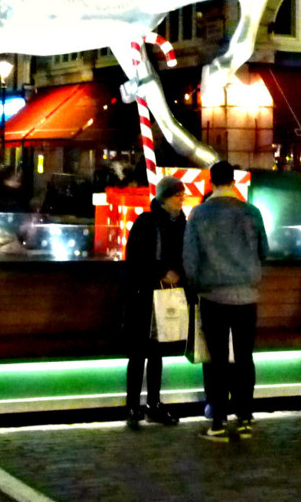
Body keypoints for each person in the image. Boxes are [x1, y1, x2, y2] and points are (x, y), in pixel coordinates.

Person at [183, 161, 268, 443]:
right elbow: (264, 250)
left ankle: (218, 420)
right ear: (233, 181)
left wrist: (194, 287)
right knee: (244, 357)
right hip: (246, 295)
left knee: (216, 359)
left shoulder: (199, 214)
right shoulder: (251, 212)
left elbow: (190, 259)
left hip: (212, 296)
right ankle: (245, 418)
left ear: (211, 182)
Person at [123, 176, 187, 429]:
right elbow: (136, 258)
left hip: (165, 293)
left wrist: (177, 271)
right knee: (140, 351)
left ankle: (150, 402)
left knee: (156, 352)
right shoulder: (147, 222)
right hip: (145, 294)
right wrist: (162, 271)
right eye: (177, 195)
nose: (182, 199)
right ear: (164, 198)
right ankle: (135, 404)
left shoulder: (180, 223)